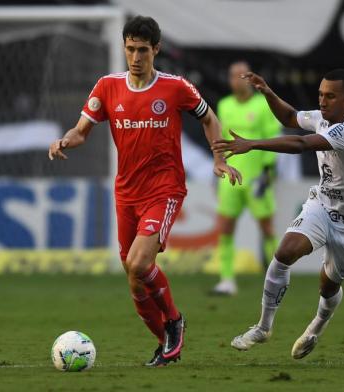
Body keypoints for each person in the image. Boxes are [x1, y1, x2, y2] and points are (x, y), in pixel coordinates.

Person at [48, 15, 241, 367]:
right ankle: (166, 344)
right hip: (126, 194)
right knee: (135, 281)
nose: (135, 57)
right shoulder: (106, 86)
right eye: (130, 49)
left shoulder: (175, 87)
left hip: (164, 190)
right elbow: (81, 131)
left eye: (142, 51)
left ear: (156, 50)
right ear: (124, 48)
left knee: (139, 263)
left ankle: (174, 321)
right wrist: (65, 140)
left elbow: (209, 117)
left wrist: (219, 159)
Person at [212, 69, 344, 359]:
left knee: (328, 285)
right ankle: (263, 327)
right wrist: (268, 92)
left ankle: (316, 326)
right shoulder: (321, 118)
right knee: (285, 252)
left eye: (331, 96)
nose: (323, 101)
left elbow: (300, 144)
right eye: (321, 94)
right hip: (322, 204)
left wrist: (252, 143)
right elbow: (290, 118)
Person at [212, 61, 281, 296]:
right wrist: (219, 165)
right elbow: (219, 138)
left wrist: (269, 171)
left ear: (249, 79)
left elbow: (273, 138)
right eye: (233, 76)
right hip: (230, 177)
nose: (236, 80)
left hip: (257, 178)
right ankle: (227, 280)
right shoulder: (224, 105)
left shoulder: (263, 106)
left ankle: (278, 278)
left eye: (241, 76)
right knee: (225, 227)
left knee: (267, 228)